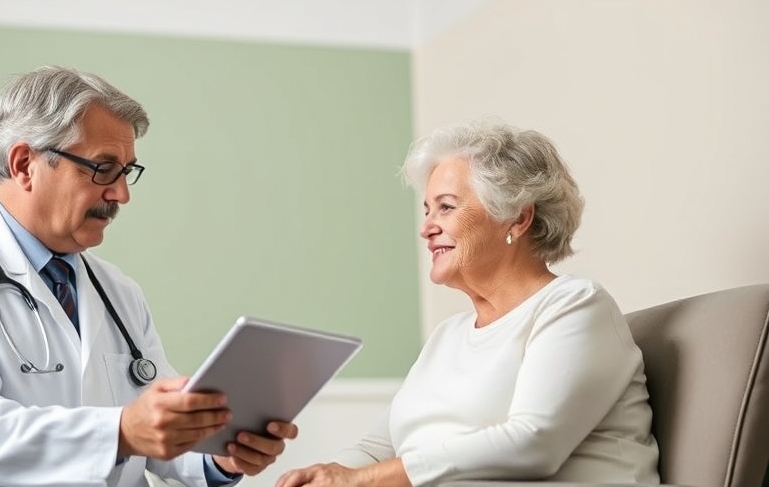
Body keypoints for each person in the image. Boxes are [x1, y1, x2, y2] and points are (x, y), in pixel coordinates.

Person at [0, 66, 297, 487]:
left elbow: (158, 435)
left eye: (127, 172)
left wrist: (219, 453)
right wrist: (121, 432)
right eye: (102, 168)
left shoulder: (118, 292)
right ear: (24, 165)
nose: (121, 194)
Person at [276, 118, 659, 487]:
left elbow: (534, 443)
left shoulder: (574, 306)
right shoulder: (448, 337)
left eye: (446, 206)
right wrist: (323, 477)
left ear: (517, 218)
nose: (426, 228)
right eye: (427, 210)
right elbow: (377, 449)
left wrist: (365, 481)